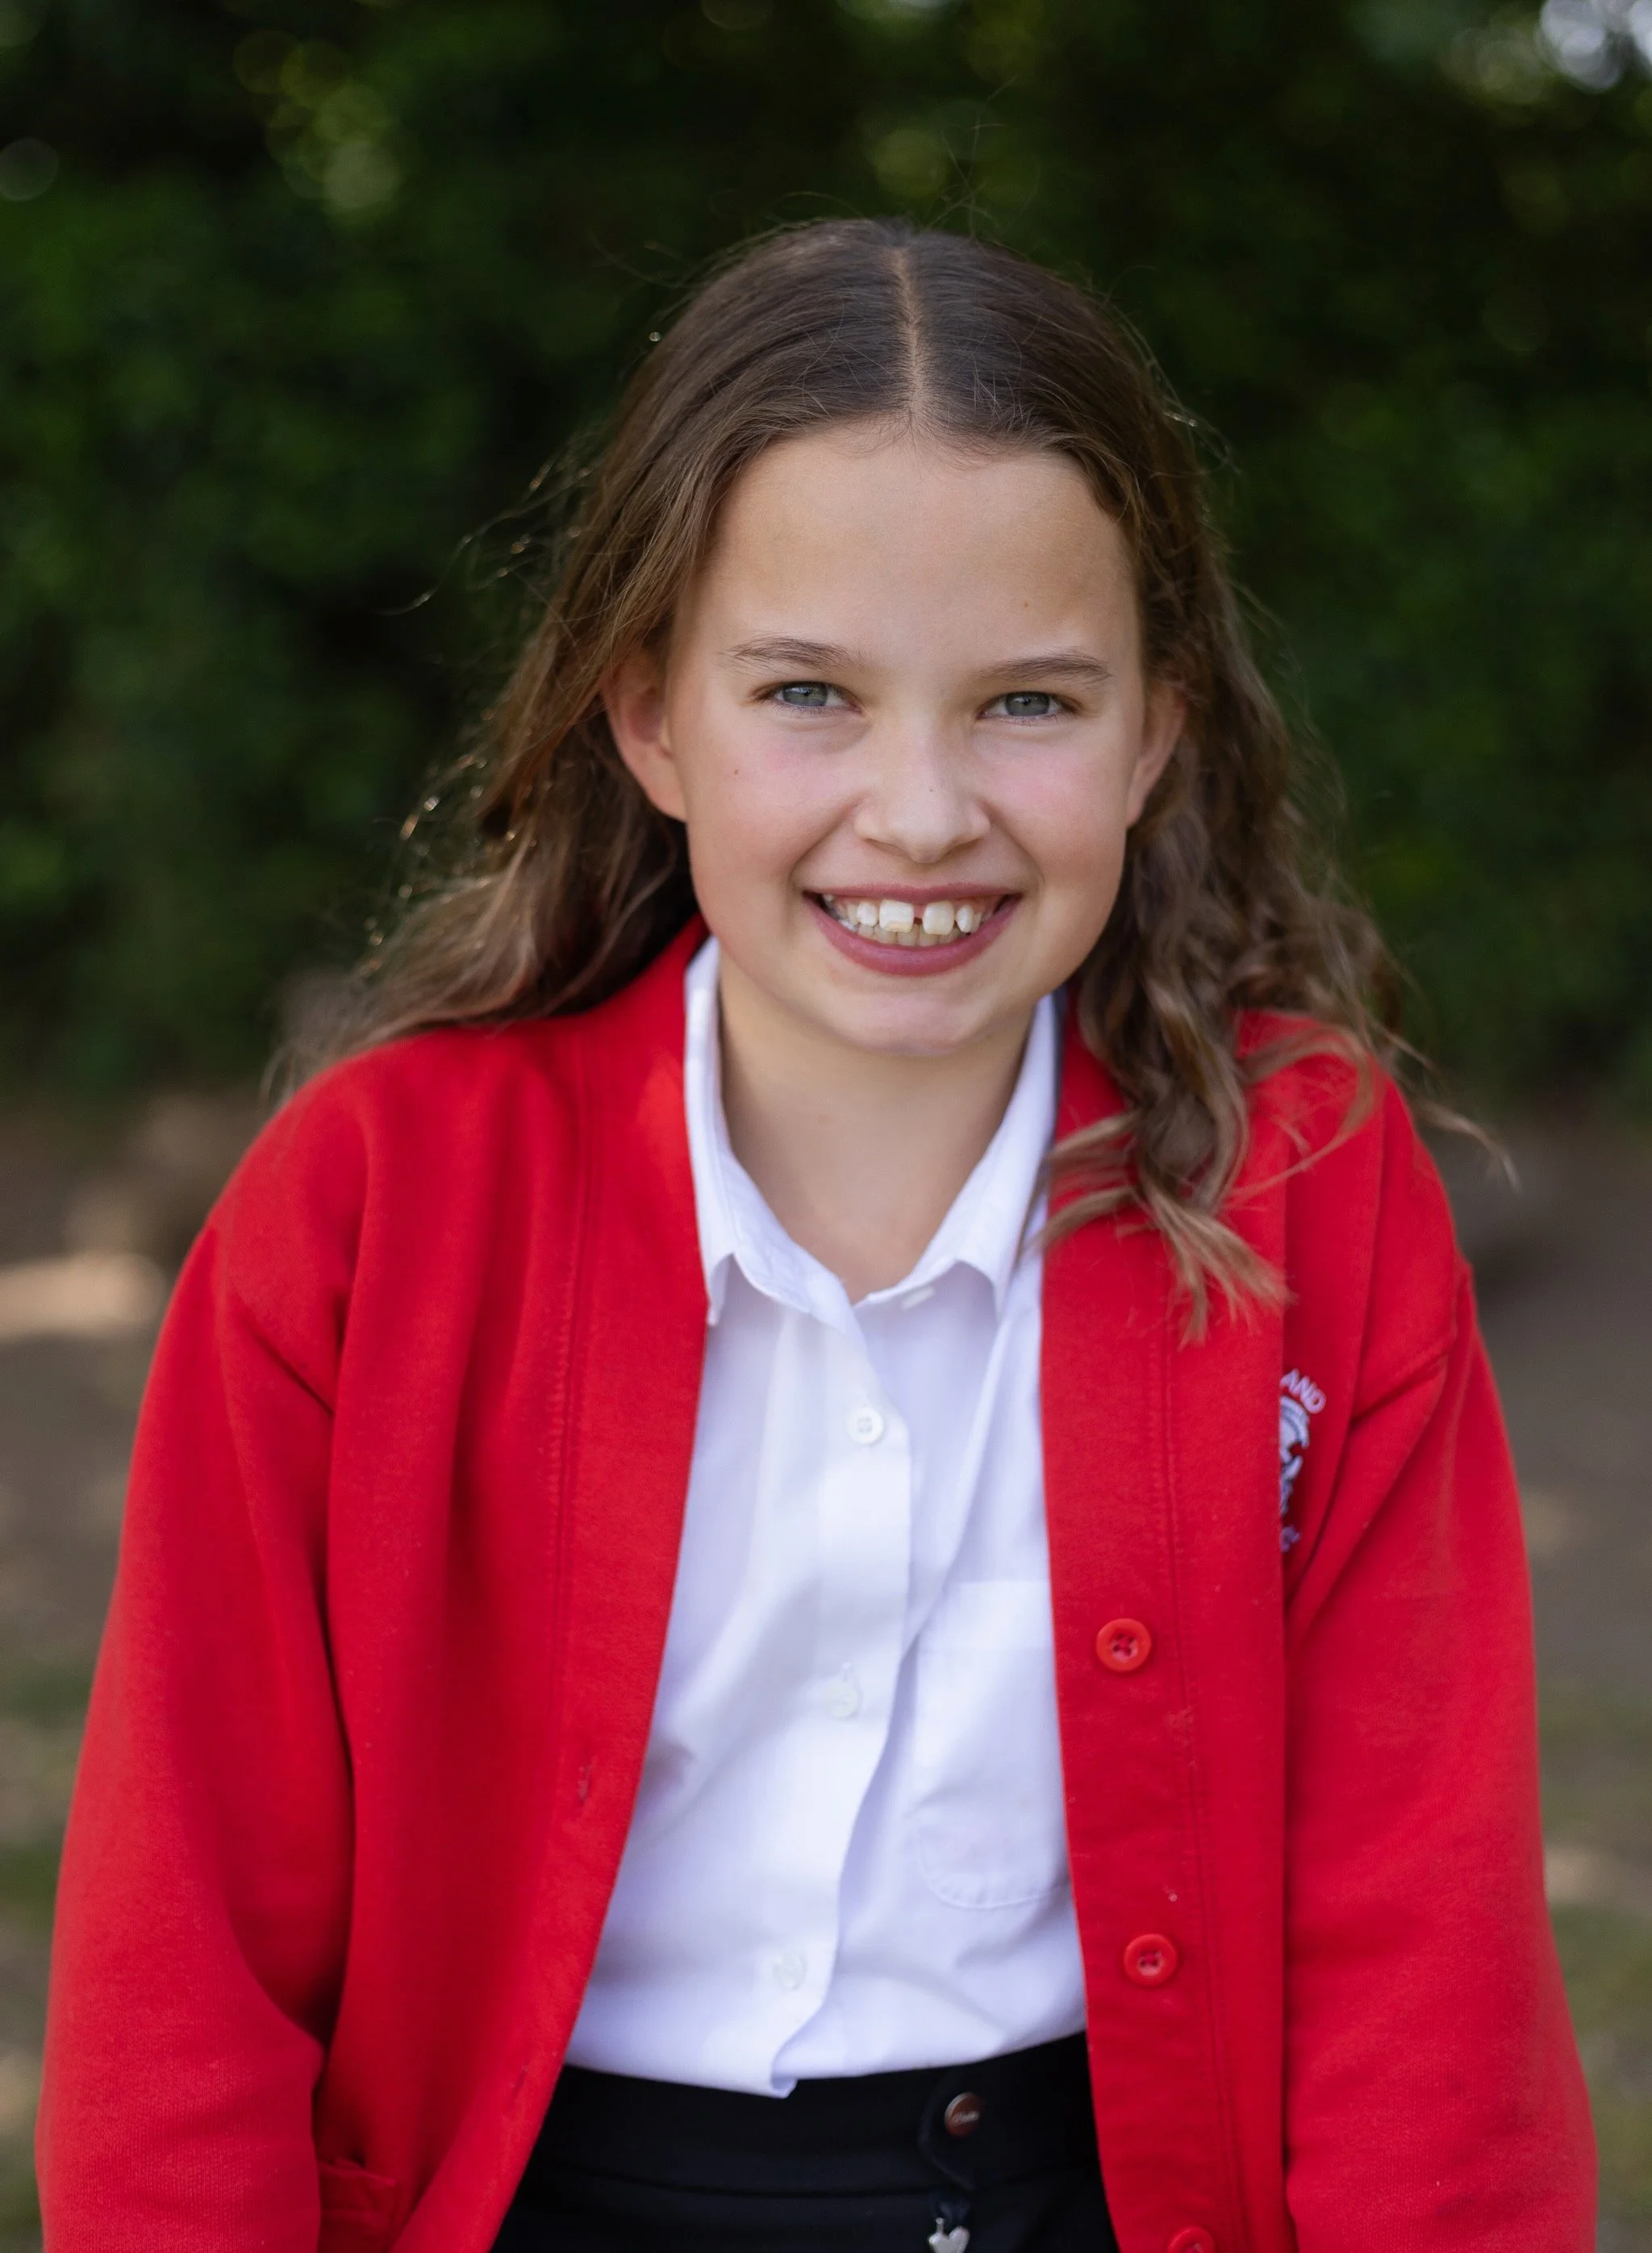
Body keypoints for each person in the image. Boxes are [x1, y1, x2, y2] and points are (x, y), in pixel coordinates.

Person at [36, 220, 1594, 2253]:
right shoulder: (364, 1205)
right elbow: (184, 1963)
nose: (922, 810)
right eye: (809, 694)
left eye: (1027, 700)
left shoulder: (1302, 1182)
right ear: (650, 717)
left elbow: (1422, 1947)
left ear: (1155, 732)